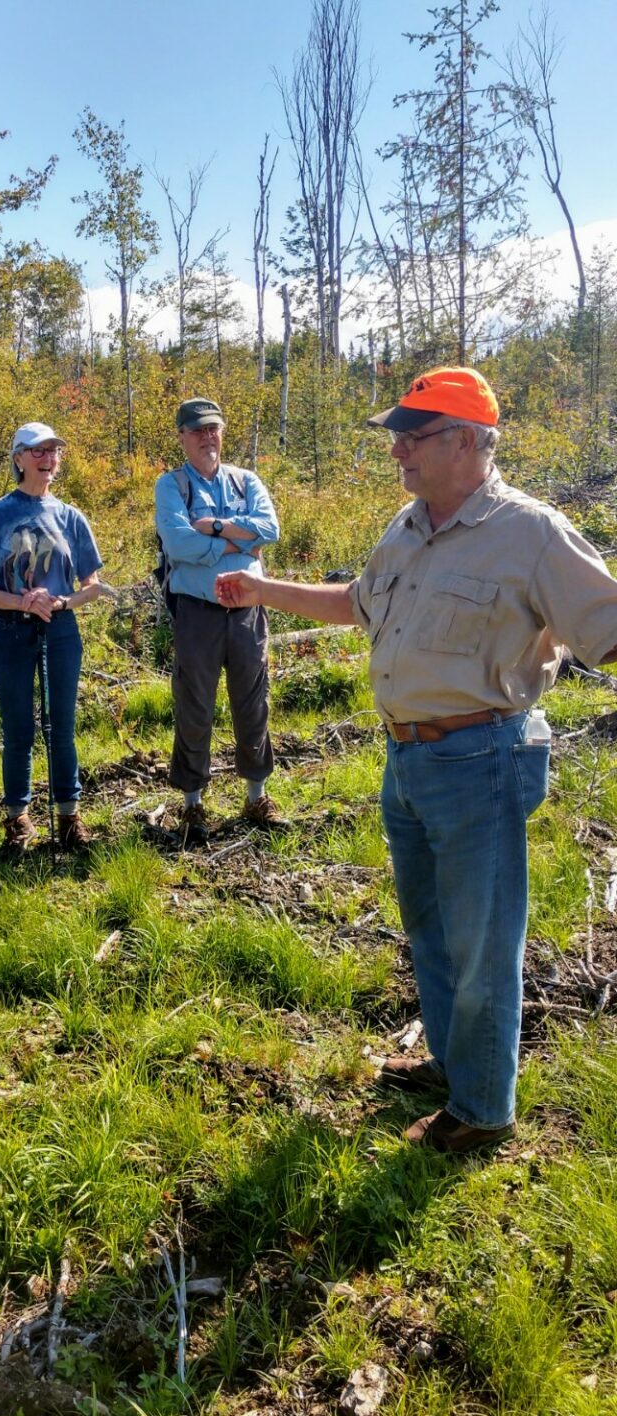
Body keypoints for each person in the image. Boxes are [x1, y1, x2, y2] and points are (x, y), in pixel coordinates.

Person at [215, 365, 617, 1153]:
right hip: (407, 762)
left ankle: (482, 1112)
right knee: (431, 931)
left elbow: (610, 628)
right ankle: (450, 1065)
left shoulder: (530, 533)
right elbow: (356, 605)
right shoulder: (407, 526)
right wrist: (261, 590)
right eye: (397, 433)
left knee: (481, 944)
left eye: (415, 434)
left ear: (466, 440)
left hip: (481, 759)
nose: (398, 448)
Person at [0, 422, 104, 854]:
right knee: (19, 729)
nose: (48, 459)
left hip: (61, 631)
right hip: (8, 631)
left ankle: (68, 817)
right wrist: (24, 602)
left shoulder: (70, 517)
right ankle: (18, 820)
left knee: (61, 728)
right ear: (19, 459)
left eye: (54, 452)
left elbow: (93, 585)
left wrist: (59, 603)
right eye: (39, 451)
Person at [155, 397, 284, 845]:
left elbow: (270, 531)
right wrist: (237, 542)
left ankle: (256, 797)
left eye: (213, 429)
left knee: (253, 701)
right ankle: (192, 806)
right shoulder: (171, 486)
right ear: (182, 437)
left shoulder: (247, 481)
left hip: (248, 609)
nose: (207, 437)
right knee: (195, 706)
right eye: (197, 431)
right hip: (198, 612)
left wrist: (212, 528)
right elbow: (177, 544)